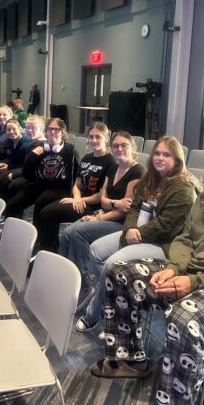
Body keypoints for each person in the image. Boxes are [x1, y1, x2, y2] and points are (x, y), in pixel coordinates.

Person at [90, 132, 204, 405]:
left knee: (186, 318)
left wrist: (193, 282)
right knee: (121, 272)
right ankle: (130, 359)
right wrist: (173, 269)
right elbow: (185, 239)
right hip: (193, 272)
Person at [76, 135, 199, 332]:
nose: (159, 158)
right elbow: (134, 208)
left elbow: (167, 225)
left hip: (165, 244)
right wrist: (130, 229)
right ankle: (115, 302)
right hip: (137, 232)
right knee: (96, 250)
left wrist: (138, 234)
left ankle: (95, 313)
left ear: (177, 160)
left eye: (166, 155)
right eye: (157, 153)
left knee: (110, 264)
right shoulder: (151, 178)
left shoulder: (183, 188)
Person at [59, 131, 144, 308]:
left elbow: (125, 210)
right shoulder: (114, 167)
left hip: (122, 223)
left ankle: (83, 287)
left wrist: (99, 217)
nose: (119, 149)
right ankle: (66, 280)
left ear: (132, 147)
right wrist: (112, 204)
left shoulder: (137, 171)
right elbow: (103, 199)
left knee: (79, 232)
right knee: (67, 233)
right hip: (106, 215)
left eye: (124, 145)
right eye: (116, 146)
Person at [35, 122, 115, 253]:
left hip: (93, 207)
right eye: (91, 137)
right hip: (79, 201)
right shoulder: (87, 158)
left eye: (98, 137)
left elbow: (102, 196)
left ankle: (49, 253)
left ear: (106, 139)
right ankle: (48, 250)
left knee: (48, 213)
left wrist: (80, 200)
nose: (94, 140)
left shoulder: (110, 162)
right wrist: (77, 197)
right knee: (46, 210)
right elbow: (77, 183)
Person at [4, 117, 79, 222]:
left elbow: (76, 175)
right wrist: (32, 156)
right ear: (46, 131)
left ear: (62, 132)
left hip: (59, 189)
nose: (53, 132)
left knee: (41, 202)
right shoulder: (38, 147)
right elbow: (26, 173)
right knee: (13, 204)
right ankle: (11, 229)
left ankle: (36, 235)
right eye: (50, 129)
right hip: (40, 184)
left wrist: (75, 195)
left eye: (57, 129)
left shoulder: (70, 150)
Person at [0, 115, 45, 201]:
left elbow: (31, 169)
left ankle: (7, 209)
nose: (29, 130)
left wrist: (14, 174)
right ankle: (1, 202)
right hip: (27, 172)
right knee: (2, 176)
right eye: (27, 127)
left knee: (13, 184)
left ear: (41, 129)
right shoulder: (34, 143)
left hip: (35, 177)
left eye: (33, 128)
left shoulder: (41, 145)